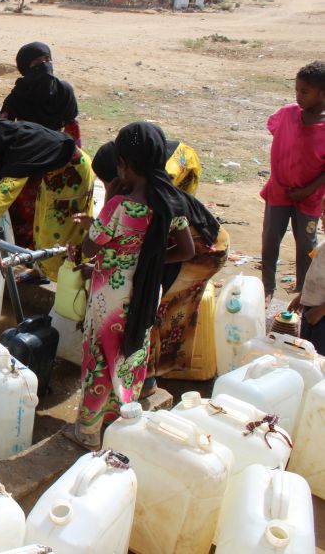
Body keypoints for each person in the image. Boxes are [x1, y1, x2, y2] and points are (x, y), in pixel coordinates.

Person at [67, 123, 195, 449]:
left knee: (99, 358)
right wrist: (148, 259)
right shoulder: (171, 202)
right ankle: (118, 422)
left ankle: (87, 431)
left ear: (123, 164)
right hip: (147, 292)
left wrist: (81, 248)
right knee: (130, 354)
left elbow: (90, 250)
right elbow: (186, 250)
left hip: (110, 298)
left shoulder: (118, 207)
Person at [92, 139, 230, 389]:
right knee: (151, 303)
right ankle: (148, 375)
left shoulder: (152, 201)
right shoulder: (152, 189)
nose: (107, 187)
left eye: (108, 181)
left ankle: (147, 381)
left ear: (124, 170)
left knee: (153, 308)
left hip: (204, 252)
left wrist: (148, 262)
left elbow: (183, 249)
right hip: (191, 247)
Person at [0, 42, 81, 248]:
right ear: (26, 68)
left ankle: (33, 257)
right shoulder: (18, 96)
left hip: (55, 156)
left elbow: (73, 131)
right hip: (27, 149)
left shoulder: (63, 92)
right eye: (37, 62)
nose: (45, 66)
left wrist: (76, 162)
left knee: (42, 208)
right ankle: (17, 251)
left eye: (47, 61)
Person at [260, 60, 325, 302]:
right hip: (278, 191)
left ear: (323, 93)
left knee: (305, 244)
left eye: (305, 92)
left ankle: (303, 292)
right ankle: (267, 287)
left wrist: (307, 189)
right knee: (270, 239)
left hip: (309, 198)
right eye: (297, 90)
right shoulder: (287, 114)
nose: (298, 96)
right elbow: (278, 133)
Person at [32, 146, 94, 282]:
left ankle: (66, 276)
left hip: (72, 178)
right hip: (53, 194)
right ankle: (42, 270)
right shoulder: (46, 148)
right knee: (46, 229)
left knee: (65, 238)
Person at [290, 223, 325, 354]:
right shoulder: (322, 245)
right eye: (323, 213)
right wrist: (301, 297)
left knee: (319, 357)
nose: (322, 218)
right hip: (311, 309)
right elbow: (312, 274)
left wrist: (320, 311)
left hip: (321, 314)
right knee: (305, 351)